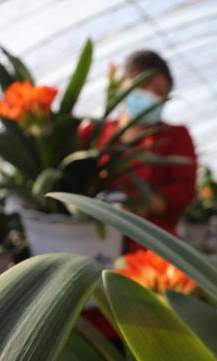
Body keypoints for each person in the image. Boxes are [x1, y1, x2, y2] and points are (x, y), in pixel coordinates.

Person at [83, 50, 198, 235]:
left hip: (151, 240)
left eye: (159, 91)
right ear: (122, 84)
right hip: (88, 235)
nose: (150, 95)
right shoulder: (93, 132)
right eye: (143, 85)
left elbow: (184, 192)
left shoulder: (175, 136)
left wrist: (133, 204)